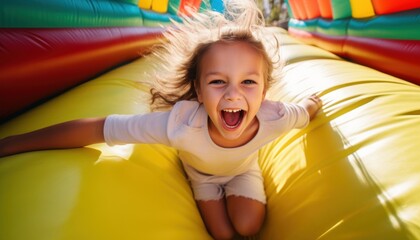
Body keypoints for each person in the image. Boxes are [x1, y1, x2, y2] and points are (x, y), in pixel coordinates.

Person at [0, 1, 322, 239]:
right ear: (197, 89)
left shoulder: (275, 117)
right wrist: (15, 141)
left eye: (248, 82)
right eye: (217, 81)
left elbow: (304, 112)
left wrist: (312, 103)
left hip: (243, 171)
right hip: (203, 177)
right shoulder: (181, 125)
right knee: (223, 235)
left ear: (264, 92)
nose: (233, 95)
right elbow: (98, 127)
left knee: (249, 225)